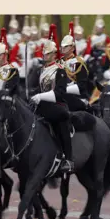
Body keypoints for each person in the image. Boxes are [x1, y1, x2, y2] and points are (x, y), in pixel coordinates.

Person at [30, 24, 74, 173]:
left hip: (58, 105)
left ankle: (68, 158)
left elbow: (60, 93)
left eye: (48, 54)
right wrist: (31, 94)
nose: (45, 56)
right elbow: (39, 88)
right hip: (42, 104)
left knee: (59, 122)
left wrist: (40, 96)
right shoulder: (42, 70)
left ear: (55, 54)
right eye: (44, 54)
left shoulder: (60, 71)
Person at [60, 21, 90, 111]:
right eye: (62, 46)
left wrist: (64, 89)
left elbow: (82, 85)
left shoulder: (79, 63)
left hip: (76, 97)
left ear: (72, 48)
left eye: (66, 46)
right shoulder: (58, 62)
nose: (63, 48)